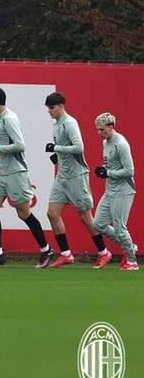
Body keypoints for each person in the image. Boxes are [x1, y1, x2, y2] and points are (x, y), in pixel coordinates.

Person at [0, 87, 53, 268]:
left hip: (16, 173)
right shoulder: (0, 119)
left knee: (23, 213)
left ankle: (46, 249)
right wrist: (0, 154)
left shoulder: (9, 118)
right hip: (2, 173)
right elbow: (9, 146)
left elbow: (20, 145)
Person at [43, 92, 107, 268]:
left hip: (77, 176)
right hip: (62, 176)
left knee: (85, 217)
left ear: (61, 106)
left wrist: (56, 148)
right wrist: (57, 156)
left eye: (52, 108)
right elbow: (66, 149)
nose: (49, 111)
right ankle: (66, 254)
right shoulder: (56, 124)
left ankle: (104, 252)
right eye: (48, 108)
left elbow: (79, 148)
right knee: (52, 213)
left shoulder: (70, 123)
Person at [92, 112, 137, 271]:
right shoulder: (106, 141)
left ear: (111, 127)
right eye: (97, 129)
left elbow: (130, 171)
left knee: (119, 227)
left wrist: (109, 173)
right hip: (110, 189)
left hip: (124, 190)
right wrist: (104, 170)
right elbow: (112, 165)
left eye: (102, 129)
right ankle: (130, 246)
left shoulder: (121, 144)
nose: (99, 133)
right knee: (98, 224)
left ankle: (132, 261)